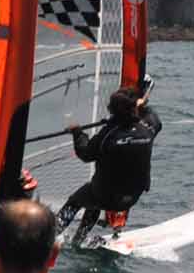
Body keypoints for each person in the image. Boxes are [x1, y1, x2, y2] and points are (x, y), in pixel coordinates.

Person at [58, 85, 161, 241]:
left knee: (76, 201)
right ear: (134, 108)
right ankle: (79, 238)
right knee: (93, 198)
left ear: (111, 110)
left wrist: (77, 133)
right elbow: (155, 119)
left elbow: (85, 154)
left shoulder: (108, 135)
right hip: (132, 197)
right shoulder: (148, 129)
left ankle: (51, 233)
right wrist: (143, 106)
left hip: (105, 196)